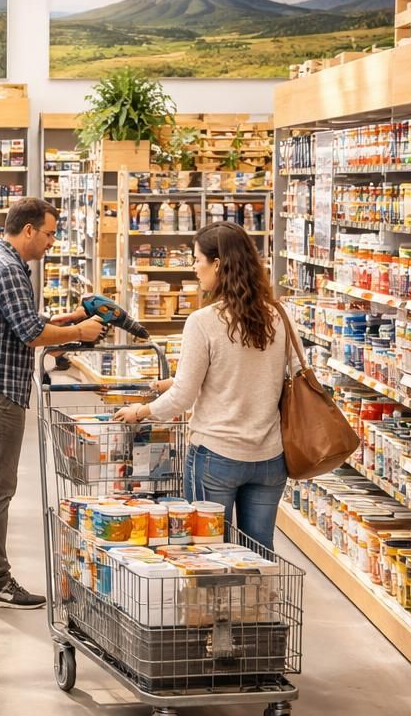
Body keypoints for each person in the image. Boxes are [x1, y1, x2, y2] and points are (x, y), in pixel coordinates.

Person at [0, 197, 105, 608]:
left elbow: (18, 323)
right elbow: (31, 334)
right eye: (49, 233)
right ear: (29, 230)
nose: (52, 242)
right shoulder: (12, 270)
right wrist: (80, 333)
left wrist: (66, 321)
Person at [115, 221, 289, 551]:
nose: (195, 268)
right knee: (260, 551)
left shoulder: (203, 321)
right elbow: (279, 375)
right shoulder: (278, 316)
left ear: (218, 265)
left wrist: (141, 411)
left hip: (217, 456)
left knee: (209, 552)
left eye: (197, 260)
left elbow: (182, 398)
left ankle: (217, 604)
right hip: (269, 457)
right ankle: (256, 603)